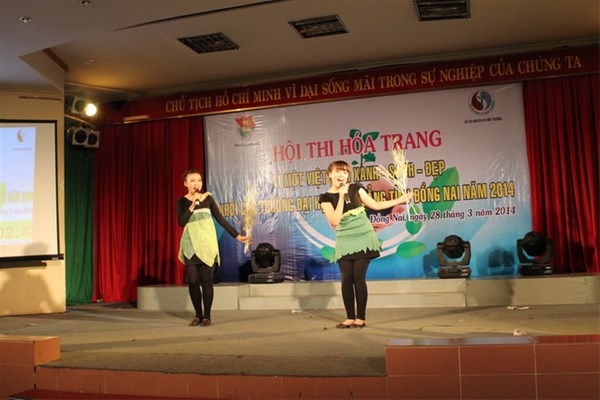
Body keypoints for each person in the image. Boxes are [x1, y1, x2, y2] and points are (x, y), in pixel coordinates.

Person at [318, 160, 413, 329]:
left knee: (358, 278)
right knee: (346, 279)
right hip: (345, 240)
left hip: (363, 237)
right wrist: (341, 197)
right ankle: (350, 317)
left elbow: (375, 205)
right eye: (338, 171)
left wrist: (400, 199)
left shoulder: (355, 188)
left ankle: (360, 318)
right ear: (330, 174)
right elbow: (335, 220)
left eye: (345, 172)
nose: (342, 175)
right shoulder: (325, 198)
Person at [177, 169, 249, 327]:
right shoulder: (182, 202)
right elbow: (181, 222)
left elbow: (221, 220)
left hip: (207, 244)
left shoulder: (208, 199)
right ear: (185, 184)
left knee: (206, 281)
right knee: (193, 281)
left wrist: (237, 236)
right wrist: (192, 205)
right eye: (192, 180)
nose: (196, 183)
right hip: (190, 244)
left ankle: (207, 316)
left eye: (199, 180)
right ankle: (198, 315)